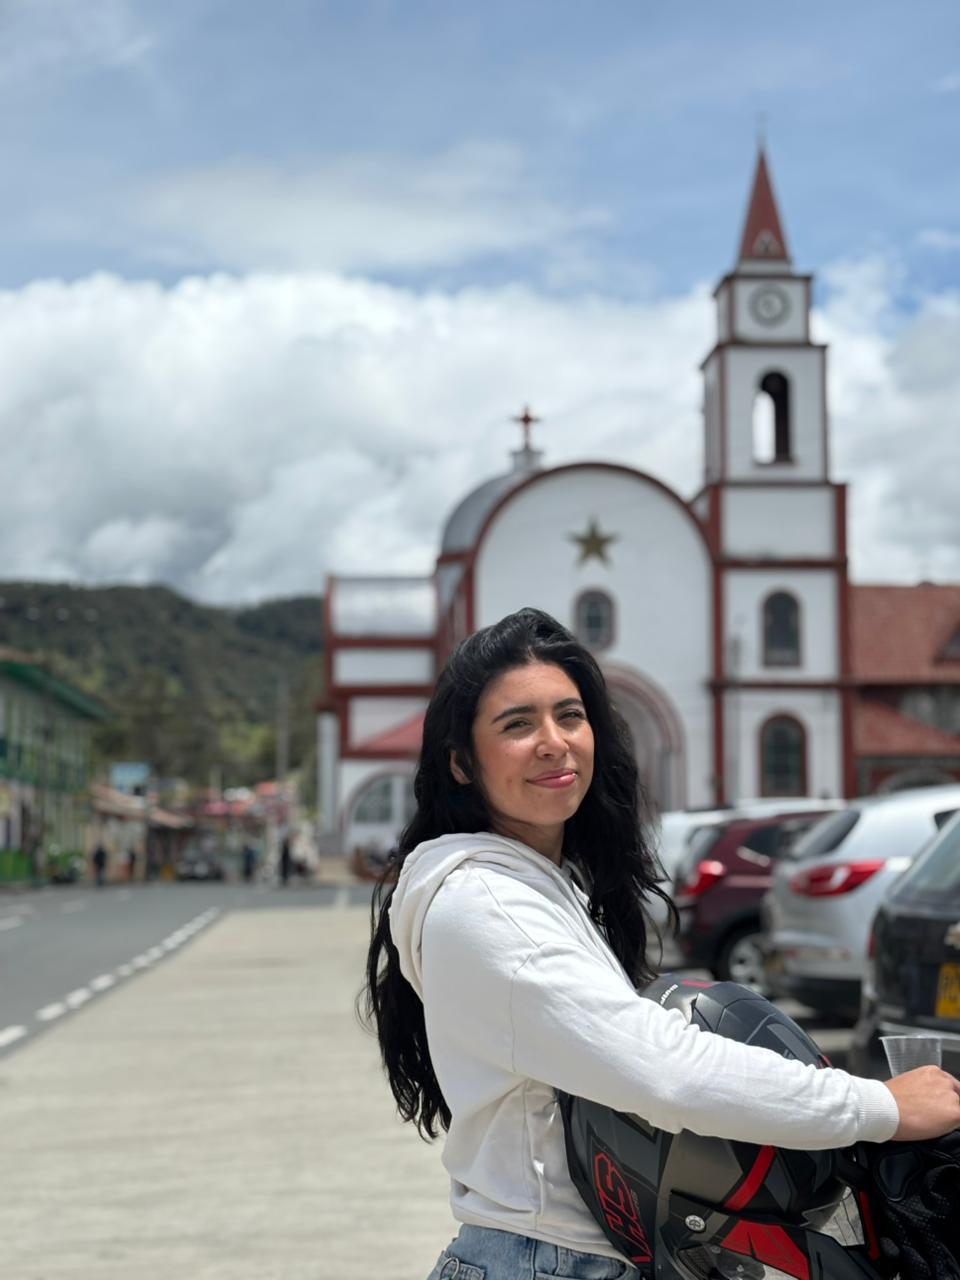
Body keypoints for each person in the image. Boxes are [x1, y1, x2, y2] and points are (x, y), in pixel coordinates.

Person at [362, 608, 960, 1280]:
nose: (555, 742)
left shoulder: (540, 884)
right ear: (460, 763)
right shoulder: (488, 906)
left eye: (570, 715)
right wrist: (879, 1108)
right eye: (517, 725)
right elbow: (664, 1072)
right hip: (542, 1262)